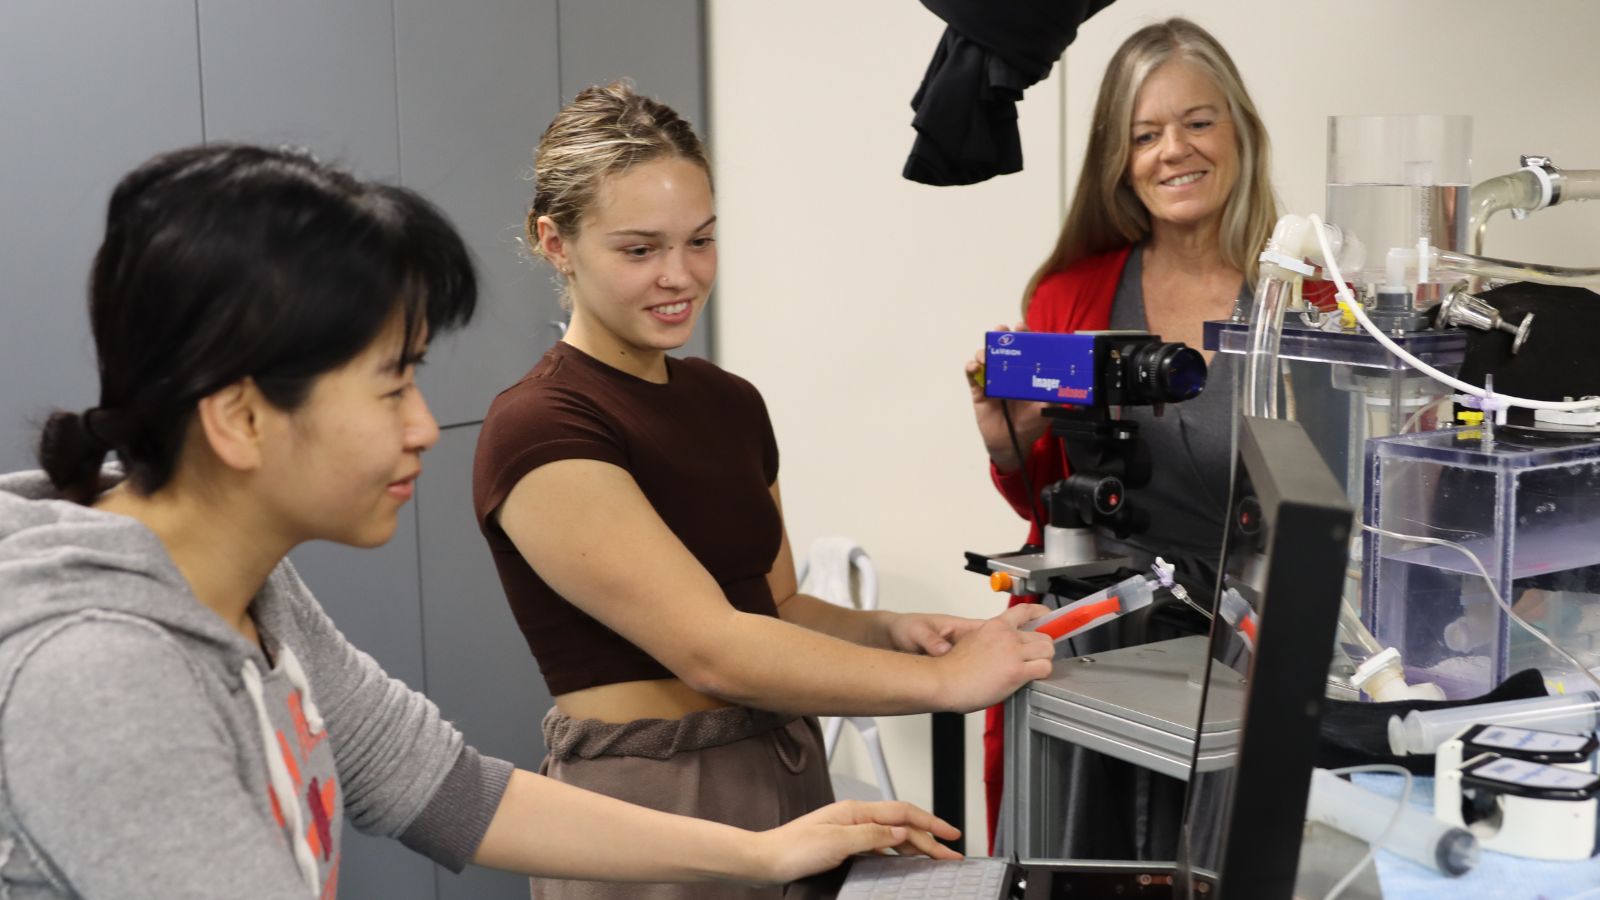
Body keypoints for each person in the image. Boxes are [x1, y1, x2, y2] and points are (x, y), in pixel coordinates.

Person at [0, 143, 968, 900]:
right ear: (242, 417)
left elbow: (442, 787)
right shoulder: (103, 673)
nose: (425, 426)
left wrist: (760, 854)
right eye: (392, 384)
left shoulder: (249, 588)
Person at [472, 81, 1054, 899]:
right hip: (653, 808)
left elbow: (776, 610)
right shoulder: (541, 426)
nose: (679, 276)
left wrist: (895, 630)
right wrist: (944, 686)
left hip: (784, 773)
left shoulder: (729, 401)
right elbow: (714, 649)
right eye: (639, 250)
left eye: (700, 241)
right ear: (556, 243)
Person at [962, 18, 1279, 853]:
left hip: (1250, 653)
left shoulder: (1303, 299)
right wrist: (1006, 443)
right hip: (1102, 647)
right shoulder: (1071, 297)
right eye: (1145, 134)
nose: (1174, 150)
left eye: (1198, 122)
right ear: (1120, 158)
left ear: (1240, 131)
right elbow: (1048, 501)